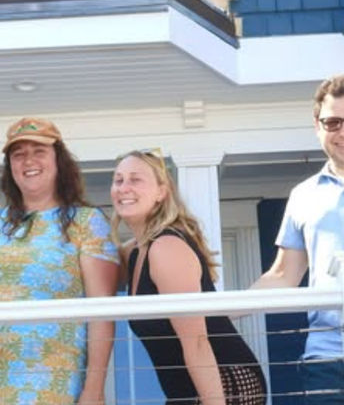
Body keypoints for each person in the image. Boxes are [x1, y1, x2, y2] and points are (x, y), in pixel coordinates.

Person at [0, 117, 120, 404]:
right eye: (18, 154)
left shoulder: (86, 222)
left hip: (49, 386)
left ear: (59, 160)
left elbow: (102, 313)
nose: (28, 160)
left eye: (39, 151)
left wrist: (94, 390)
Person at [110, 149, 266, 405]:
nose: (123, 188)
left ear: (162, 192)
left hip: (225, 383)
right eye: (118, 180)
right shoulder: (136, 251)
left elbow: (197, 343)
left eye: (135, 179)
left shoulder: (166, 248)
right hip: (186, 391)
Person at [251, 75, 344, 404]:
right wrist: (212, 310)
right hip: (328, 362)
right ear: (317, 127)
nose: (342, 132)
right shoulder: (303, 196)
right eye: (333, 122)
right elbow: (283, 275)